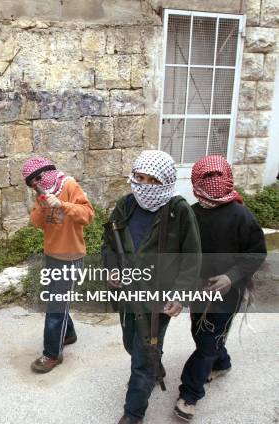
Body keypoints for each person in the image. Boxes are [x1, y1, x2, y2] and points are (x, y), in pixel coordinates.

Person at [102, 150, 202, 424]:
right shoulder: (125, 205)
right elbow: (109, 243)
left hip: (158, 299)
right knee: (131, 345)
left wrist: (181, 295)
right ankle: (152, 364)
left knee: (142, 357)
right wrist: (111, 270)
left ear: (166, 182)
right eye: (139, 177)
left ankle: (133, 413)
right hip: (126, 296)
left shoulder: (178, 210)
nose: (143, 185)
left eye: (152, 180)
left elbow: (192, 257)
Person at [174, 155, 267, 422]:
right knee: (202, 334)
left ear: (228, 177)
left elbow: (256, 253)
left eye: (218, 176)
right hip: (198, 292)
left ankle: (189, 394)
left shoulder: (242, 215)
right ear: (195, 180)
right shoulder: (190, 214)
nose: (213, 183)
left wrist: (231, 277)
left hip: (230, 293)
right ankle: (222, 363)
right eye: (207, 177)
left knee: (207, 342)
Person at [21, 156, 94, 373]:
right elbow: (35, 223)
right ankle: (68, 333)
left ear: (48, 172)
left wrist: (62, 204)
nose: (36, 185)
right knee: (56, 300)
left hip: (71, 258)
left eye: (38, 179)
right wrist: (43, 206)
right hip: (52, 256)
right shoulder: (41, 195)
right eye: (31, 183)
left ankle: (52, 354)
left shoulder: (69, 185)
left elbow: (88, 215)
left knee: (55, 306)